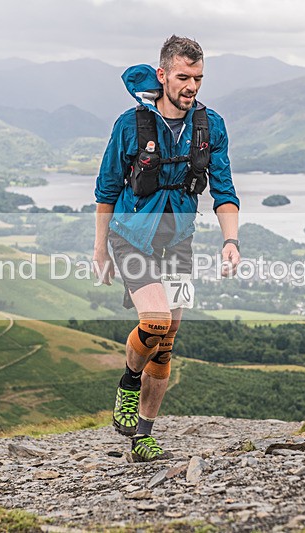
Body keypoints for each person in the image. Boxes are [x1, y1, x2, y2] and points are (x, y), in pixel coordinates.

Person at [93, 35, 240, 462]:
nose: (191, 86)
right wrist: (100, 250)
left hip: (178, 239)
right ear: (163, 75)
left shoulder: (210, 127)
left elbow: (224, 191)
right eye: (183, 77)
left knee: (167, 342)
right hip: (131, 235)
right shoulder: (130, 125)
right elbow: (106, 190)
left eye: (198, 77)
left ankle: (143, 436)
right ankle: (127, 380)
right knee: (154, 323)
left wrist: (231, 241)